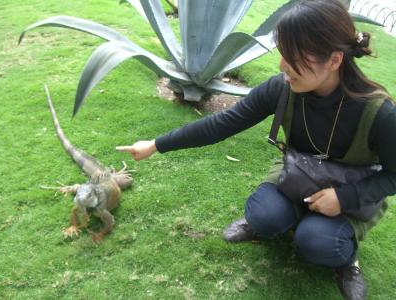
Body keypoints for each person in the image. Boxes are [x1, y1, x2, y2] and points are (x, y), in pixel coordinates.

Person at [116, 1, 396, 299]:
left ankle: (346, 260)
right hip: (297, 175)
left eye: (294, 58)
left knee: (318, 242)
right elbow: (221, 124)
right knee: (263, 215)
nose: (282, 67)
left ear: (335, 59)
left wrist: (344, 197)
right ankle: (282, 220)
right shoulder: (283, 88)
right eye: (282, 55)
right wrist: (156, 145)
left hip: (349, 192)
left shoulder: (380, 113)